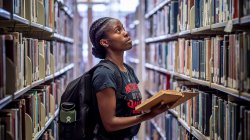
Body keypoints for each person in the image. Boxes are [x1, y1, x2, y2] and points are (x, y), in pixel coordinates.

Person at [89, 17, 169, 140]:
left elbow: (128, 109)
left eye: (123, 28)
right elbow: (110, 124)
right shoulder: (104, 74)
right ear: (105, 42)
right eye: (118, 30)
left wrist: (152, 106)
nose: (126, 33)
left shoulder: (127, 69)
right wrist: (148, 116)